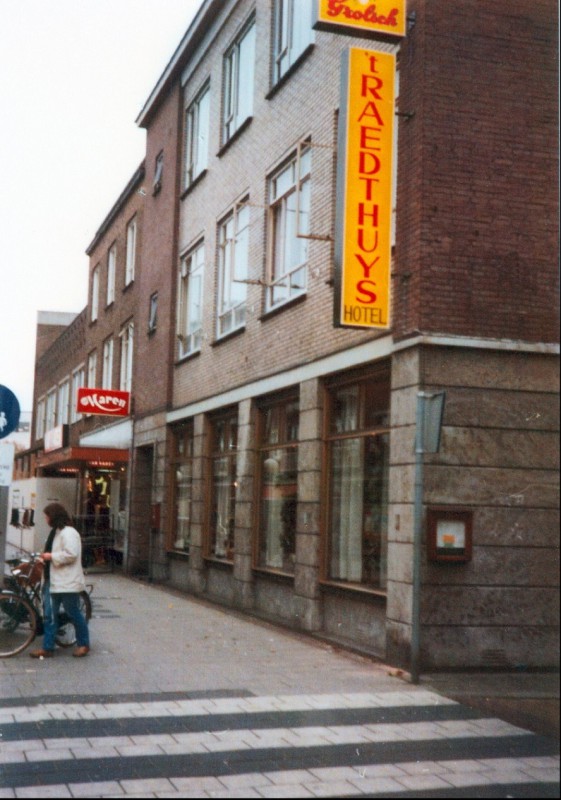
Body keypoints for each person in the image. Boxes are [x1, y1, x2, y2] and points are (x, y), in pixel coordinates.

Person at [29, 502, 90, 659]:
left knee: (73, 612)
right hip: (52, 580)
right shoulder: (56, 532)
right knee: (50, 615)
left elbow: (71, 554)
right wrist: (45, 559)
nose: (45, 519)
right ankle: (48, 647)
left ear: (54, 516)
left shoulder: (68, 533)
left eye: (47, 516)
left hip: (66, 582)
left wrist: (51, 557)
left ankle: (83, 644)